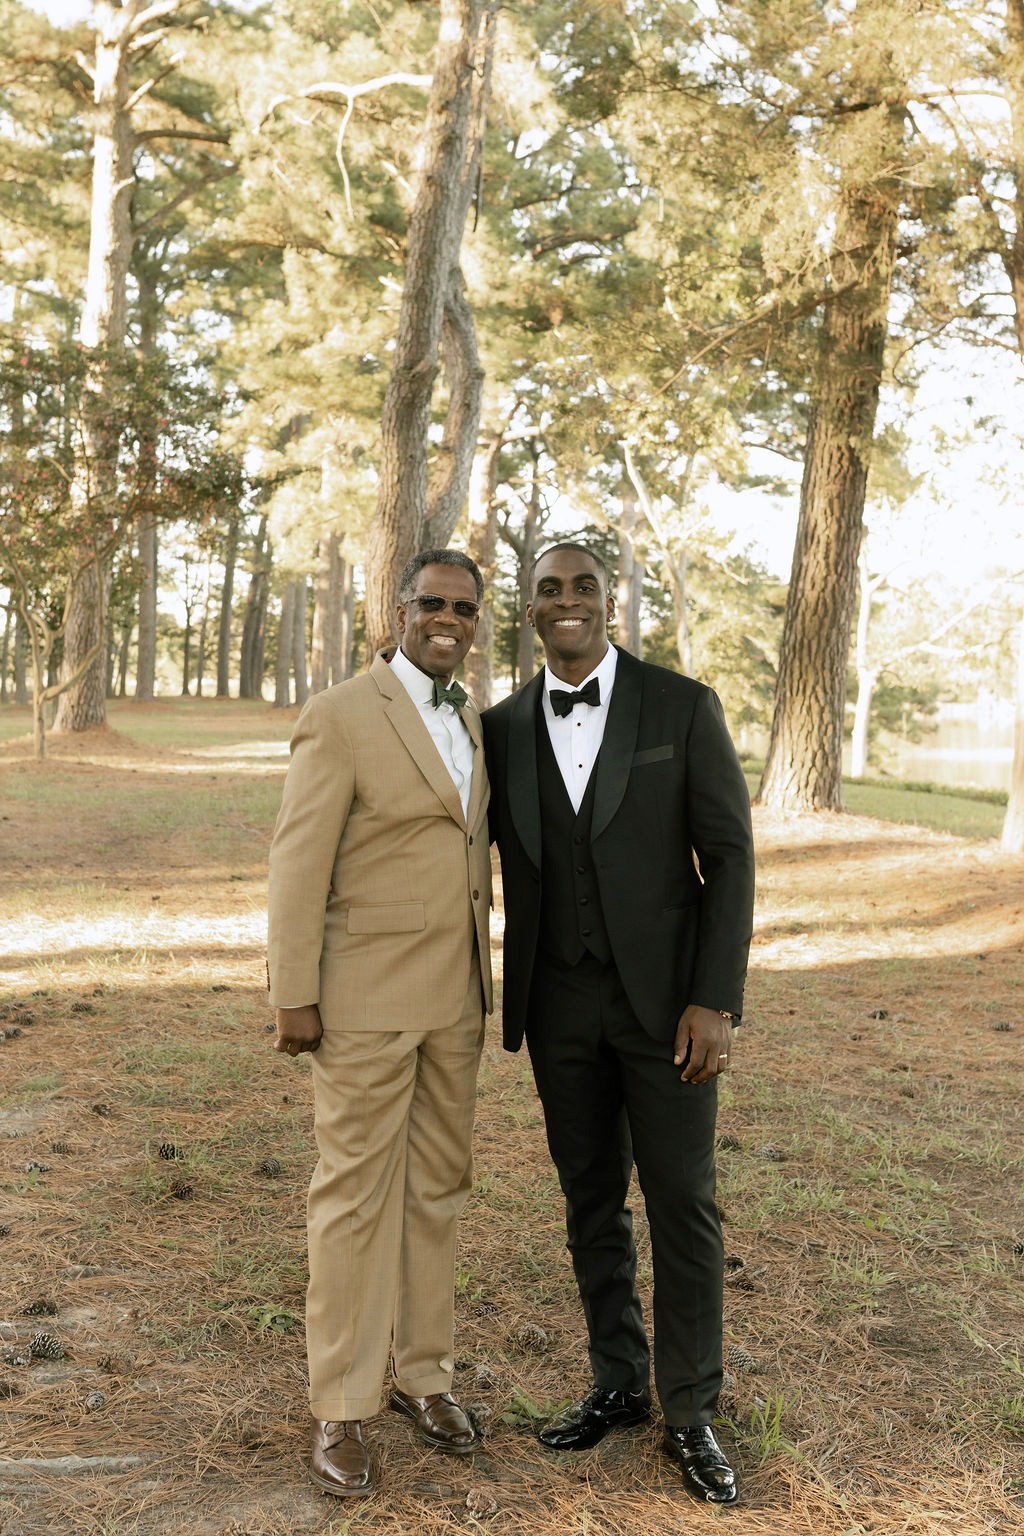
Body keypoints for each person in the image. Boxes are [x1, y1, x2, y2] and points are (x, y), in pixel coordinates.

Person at [482, 542, 755, 1506]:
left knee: (683, 1202)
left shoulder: (682, 706)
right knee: (590, 1200)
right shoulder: (499, 727)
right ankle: (618, 1379)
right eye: (549, 589)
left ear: (611, 600)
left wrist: (715, 998)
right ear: (529, 609)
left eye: (585, 587)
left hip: (670, 1008)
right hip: (557, 1004)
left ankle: (690, 1411)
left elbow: (729, 857)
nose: (568, 601)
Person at [267, 548, 493, 1498]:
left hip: (456, 1000)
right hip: (363, 1002)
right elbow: (297, 860)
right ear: (400, 612)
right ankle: (342, 1405)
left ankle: (424, 1378)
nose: (448, 620)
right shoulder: (341, 714)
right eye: (432, 603)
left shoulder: (471, 716)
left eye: (465, 609)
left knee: (437, 1190)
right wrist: (294, 991)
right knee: (354, 1199)